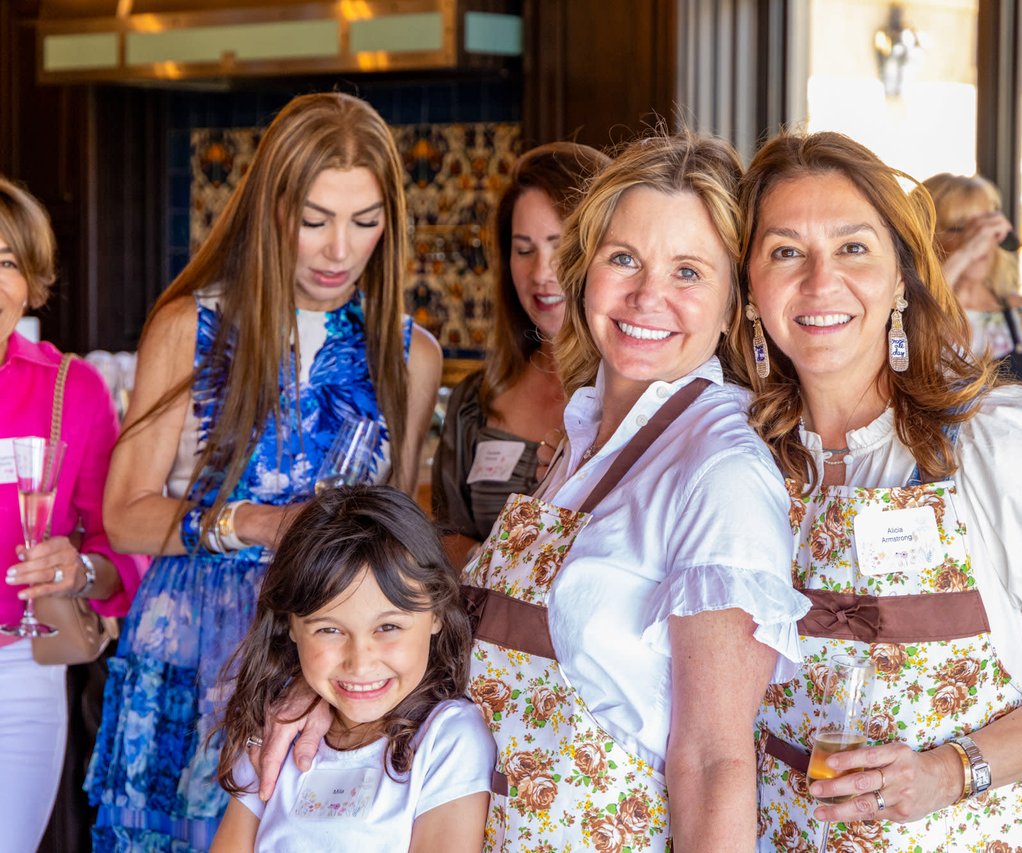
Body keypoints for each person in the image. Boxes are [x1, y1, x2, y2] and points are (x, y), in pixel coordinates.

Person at [257, 132, 811, 851]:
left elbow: (715, 761)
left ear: (734, 300)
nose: (648, 295)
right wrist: (334, 691)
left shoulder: (719, 470)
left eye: (688, 271)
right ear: (584, 272)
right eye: (624, 259)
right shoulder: (583, 438)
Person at [741, 133, 1022, 851]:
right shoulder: (739, 459)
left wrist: (949, 772)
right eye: (784, 251)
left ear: (901, 277)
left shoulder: (994, 442)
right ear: (749, 289)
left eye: (853, 248)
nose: (820, 280)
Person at [87, 93, 442, 851]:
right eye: (314, 219)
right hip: (190, 653)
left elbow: (399, 552)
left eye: (364, 220)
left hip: (325, 672)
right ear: (269, 208)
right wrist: (253, 522)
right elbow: (124, 512)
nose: (338, 250)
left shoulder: (411, 355)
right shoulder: (190, 326)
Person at [210, 485, 493, 852]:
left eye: (388, 627)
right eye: (329, 630)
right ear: (291, 626)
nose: (360, 662)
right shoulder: (278, 733)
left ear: (437, 613)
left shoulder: (448, 738)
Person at [0, 176, 146, 853]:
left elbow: (121, 553)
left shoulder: (72, 390)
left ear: (32, 283)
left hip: (20, 672)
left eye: (6, 261)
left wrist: (79, 568)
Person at [432, 142, 609, 569]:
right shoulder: (475, 400)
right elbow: (437, 538)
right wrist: (495, 568)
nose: (542, 273)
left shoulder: (640, 400)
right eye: (524, 250)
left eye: (561, 246)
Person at [922, 172, 1022, 400]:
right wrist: (965, 254)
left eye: (983, 229)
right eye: (957, 228)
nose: (977, 242)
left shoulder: (1021, 312)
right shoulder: (910, 313)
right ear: (925, 239)